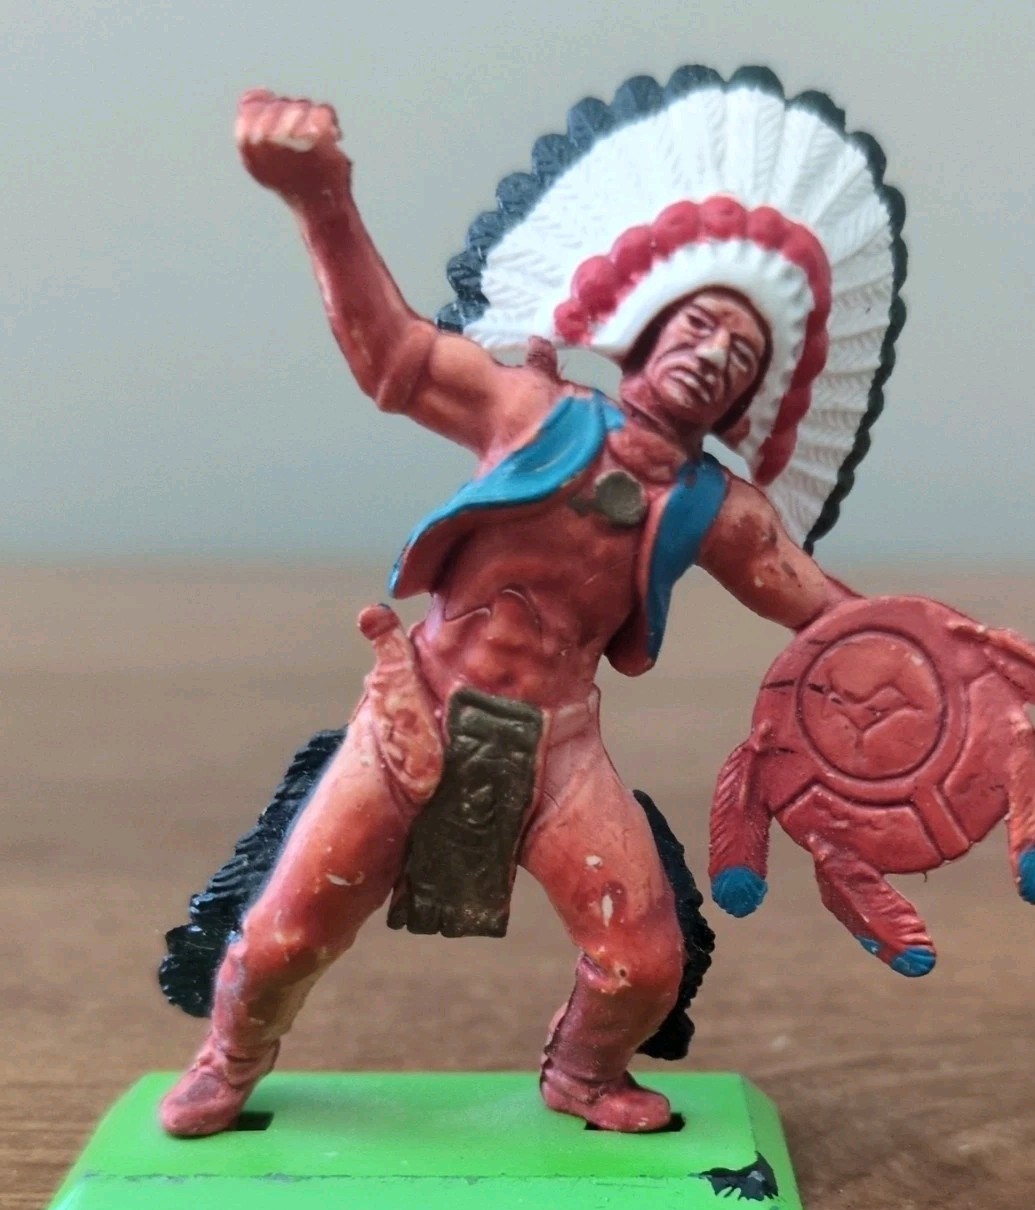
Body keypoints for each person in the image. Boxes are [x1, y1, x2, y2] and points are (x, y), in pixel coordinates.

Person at [162, 73, 911, 1136]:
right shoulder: (528, 407)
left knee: (642, 959)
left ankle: (581, 1074)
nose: (711, 357)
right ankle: (228, 1062)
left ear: (751, 398)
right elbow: (393, 356)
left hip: (559, 747)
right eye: (701, 326)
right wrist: (321, 199)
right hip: (415, 714)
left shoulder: (717, 510)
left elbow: (829, 615)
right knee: (284, 937)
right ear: (646, 324)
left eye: (740, 357)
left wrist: (951, 659)